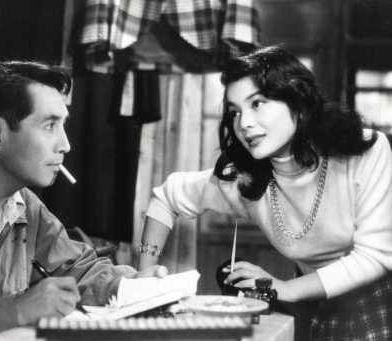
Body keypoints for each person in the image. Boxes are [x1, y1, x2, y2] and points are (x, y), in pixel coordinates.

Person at [138, 46, 392, 340]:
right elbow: (166, 196)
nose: (243, 123)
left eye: (257, 103)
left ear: (298, 99)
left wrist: (284, 288)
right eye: (235, 112)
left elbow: (375, 257)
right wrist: (145, 285)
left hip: (378, 300)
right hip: (313, 303)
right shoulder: (244, 180)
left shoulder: (365, 150)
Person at [0, 60, 166, 340]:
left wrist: (129, 285)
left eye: (63, 124)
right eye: (50, 125)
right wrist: (17, 309)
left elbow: (74, 269)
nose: (65, 144)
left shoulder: (25, 206)